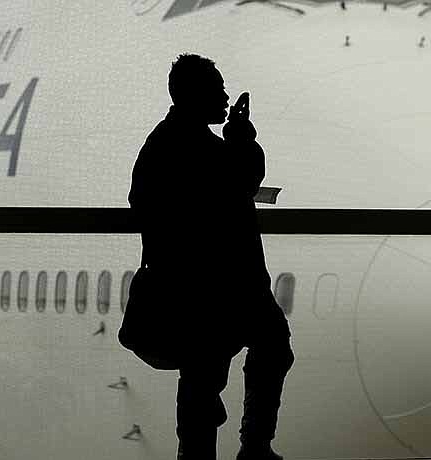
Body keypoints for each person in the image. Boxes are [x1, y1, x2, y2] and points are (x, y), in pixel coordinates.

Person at [127, 53, 294, 460]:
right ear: (195, 95)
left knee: (204, 377)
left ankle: (206, 453)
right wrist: (241, 136)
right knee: (257, 353)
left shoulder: (164, 142)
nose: (223, 96)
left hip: (196, 286)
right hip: (219, 288)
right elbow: (243, 180)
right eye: (217, 89)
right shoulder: (200, 146)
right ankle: (253, 446)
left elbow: (143, 202)